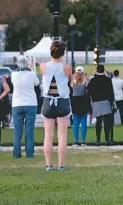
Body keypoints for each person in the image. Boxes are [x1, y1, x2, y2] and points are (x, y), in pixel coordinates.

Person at [39, 41, 72, 171]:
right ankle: (61, 165)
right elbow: (70, 80)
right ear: (63, 53)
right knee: (62, 135)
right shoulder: (67, 67)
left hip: (48, 101)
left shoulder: (43, 66)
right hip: (62, 100)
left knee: (48, 134)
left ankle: (48, 165)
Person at [10, 55, 40, 158]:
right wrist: (31, 68)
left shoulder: (14, 75)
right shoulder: (31, 74)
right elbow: (37, 83)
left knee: (17, 130)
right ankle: (30, 153)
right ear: (27, 63)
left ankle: (17, 153)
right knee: (29, 130)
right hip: (31, 103)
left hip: (17, 104)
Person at [87, 64, 115, 146]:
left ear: (97, 70)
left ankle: (98, 140)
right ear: (103, 70)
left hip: (96, 102)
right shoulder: (107, 80)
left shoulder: (93, 80)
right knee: (106, 122)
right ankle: (107, 140)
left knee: (98, 122)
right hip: (106, 102)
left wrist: (93, 97)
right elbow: (111, 92)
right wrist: (111, 102)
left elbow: (88, 90)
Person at [70, 66, 91, 146]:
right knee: (83, 122)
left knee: (75, 122)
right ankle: (83, 141)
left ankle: (76, 141)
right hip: (83, 101)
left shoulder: (72, 82)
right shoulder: (86, 82)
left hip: (75, 102)